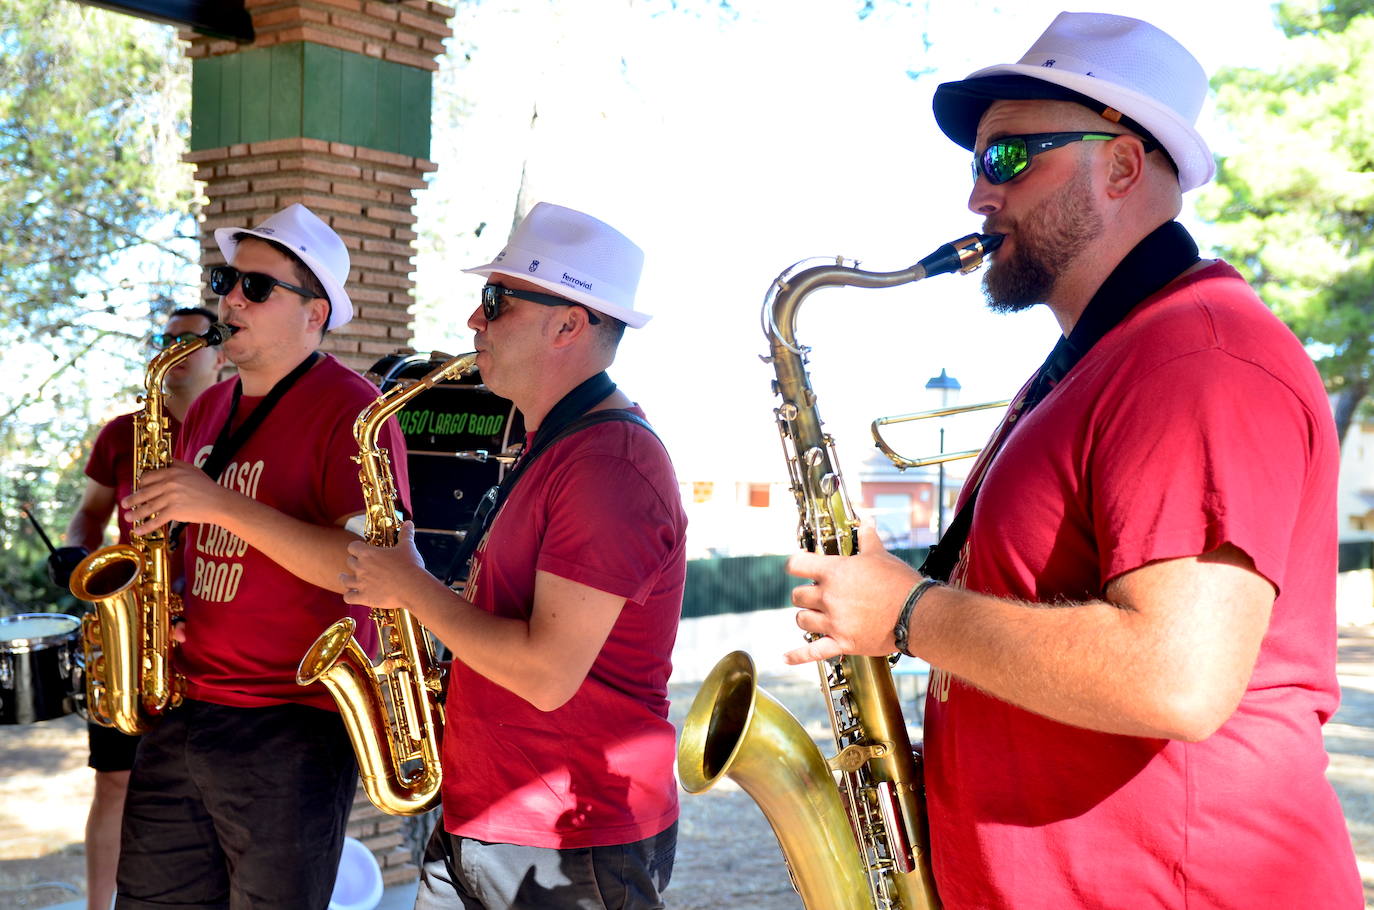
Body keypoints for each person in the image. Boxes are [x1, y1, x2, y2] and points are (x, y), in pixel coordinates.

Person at [784, 12, 1362, 908]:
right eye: (976, 162)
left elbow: (1178, 677)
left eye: (1008, 157)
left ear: (1123, 165)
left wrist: (907, 613)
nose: (978, 195)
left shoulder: (1194, 360)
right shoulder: (1097, 363)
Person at [342, 201, 686, 910]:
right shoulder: (552, 445)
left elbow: (545, 670)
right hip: (490, 816)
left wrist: (409, 588)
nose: (474, 320)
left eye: (496, 301)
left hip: (570, 833)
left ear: (569, 324)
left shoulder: (610, 463)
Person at [112, 202, 411, 909]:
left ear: (316, 313)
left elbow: (369, 572)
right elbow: (207, 548)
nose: (228, 298)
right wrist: (169, 593)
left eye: (256, 286)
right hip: (184, 710)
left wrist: (217, 503)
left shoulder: (355, 412)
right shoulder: (210, 409)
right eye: (225, 279)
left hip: (290, 728)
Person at [45, 306, 225, 910]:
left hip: (208, 631)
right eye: (164, 339)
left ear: (220, 353)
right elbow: (89, 514)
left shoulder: (234, 427)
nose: (172, 349)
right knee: (115, 782)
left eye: (188, 340)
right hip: (132, 634)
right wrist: (74, 549)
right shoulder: (124, 431)